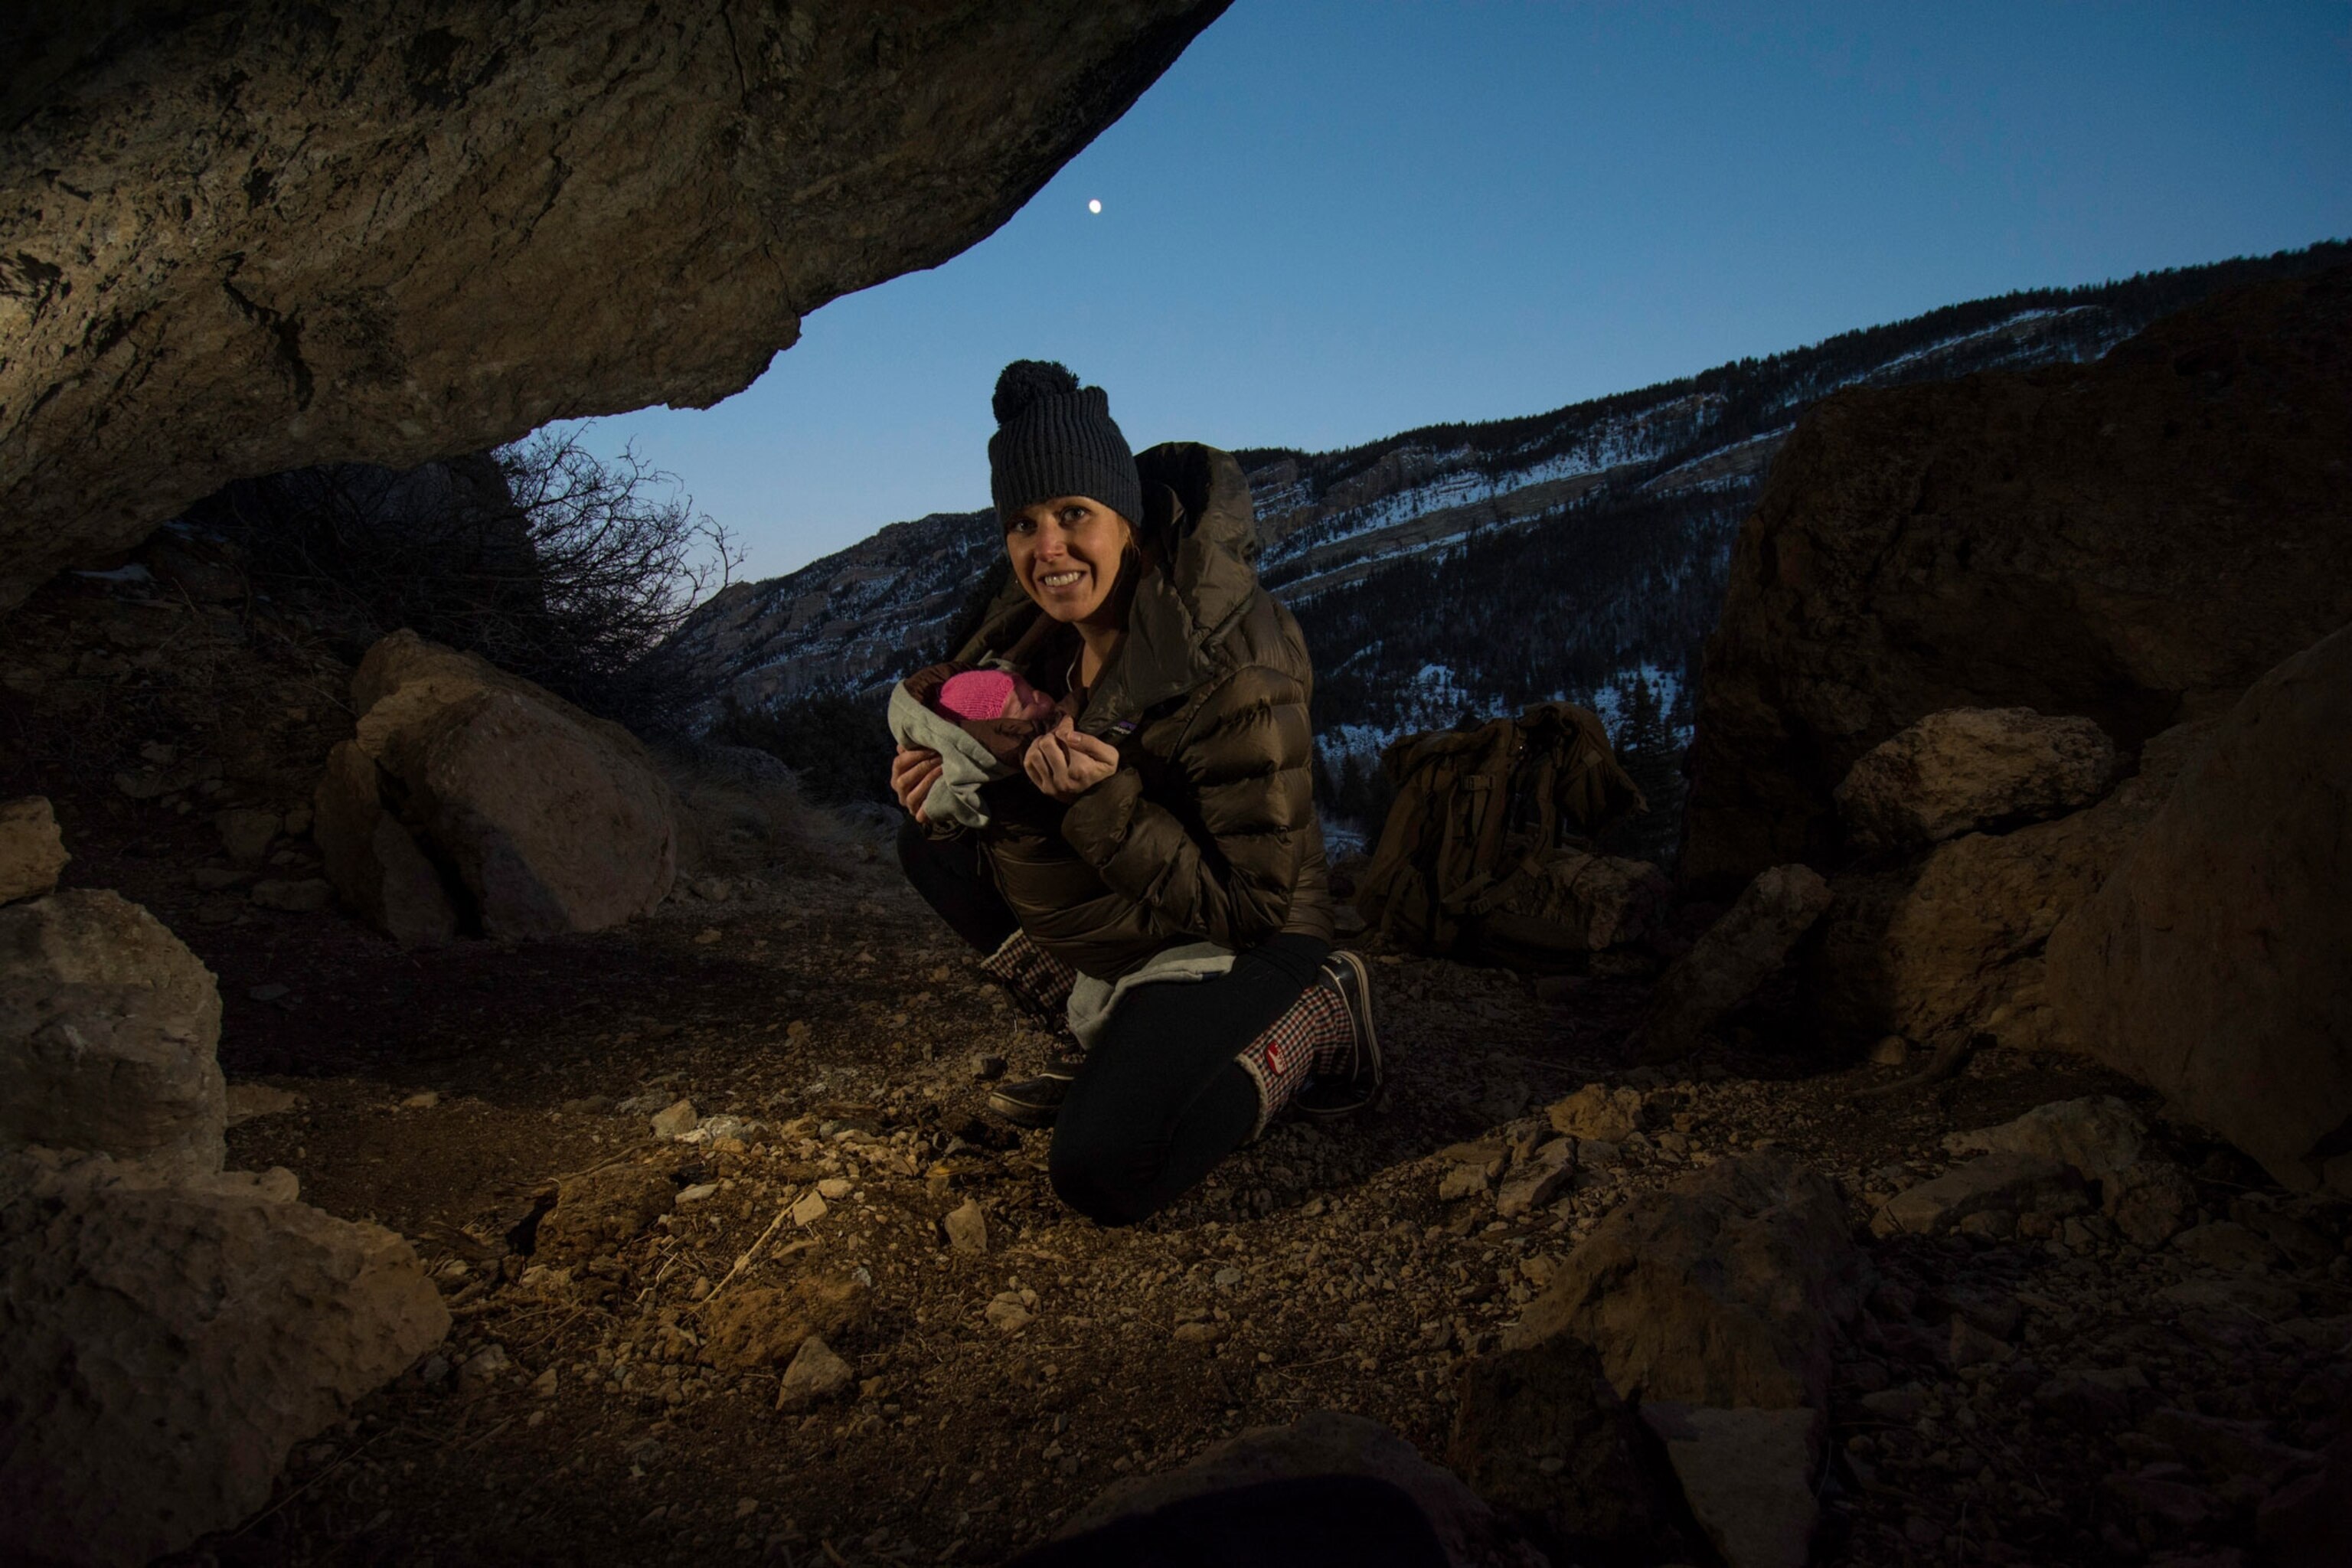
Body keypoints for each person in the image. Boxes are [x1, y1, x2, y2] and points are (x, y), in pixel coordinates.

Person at [888, 360, 1379, 1226]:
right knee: (928, 843)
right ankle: (1101, 1044)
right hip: (1137, 901)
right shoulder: (1035, 637)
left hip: (1252, 930)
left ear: (1128, 519)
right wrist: (952, 786)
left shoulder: (1234, 661)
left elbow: (1257, 903)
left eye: (1074, 514)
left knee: (1104, 1169)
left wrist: (1102, 805)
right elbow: (1009, 779)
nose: (1048, 549)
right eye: (1024, 523)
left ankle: (1319, 1017)